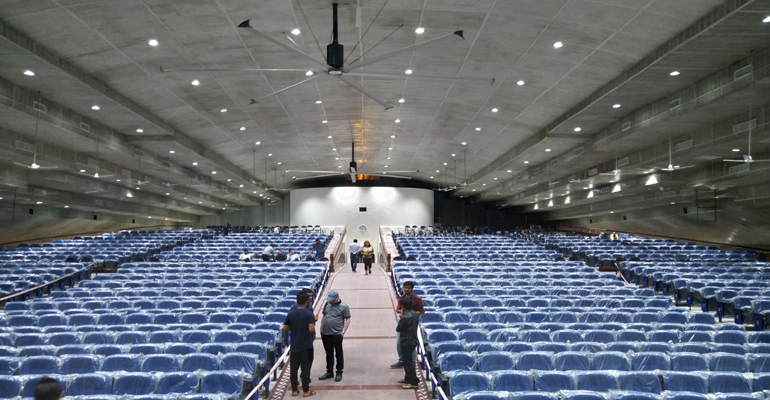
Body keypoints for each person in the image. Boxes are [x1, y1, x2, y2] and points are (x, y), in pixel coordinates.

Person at [283, 291, 316, 398]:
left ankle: (295, 390)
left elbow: (285, 328)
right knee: (305, 368)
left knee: (294, 369)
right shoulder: (309, 314)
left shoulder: (291, 313)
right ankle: (306, 391)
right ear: (307, 301)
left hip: (295, 345)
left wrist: (295, 328)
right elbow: (311, 329)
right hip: (306, 345)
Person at [318, 290, 351, 382]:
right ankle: (329, 371)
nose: (331, 301)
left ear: (337, 297)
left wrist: (343, 331)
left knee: (339, 353)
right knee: (329, 353)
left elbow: (347, 319)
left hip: (337, 334)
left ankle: (339, 372)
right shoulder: (327, 304)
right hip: (326, 333)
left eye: (332, 299)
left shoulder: (344, 307)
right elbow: (324, 316)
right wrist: (321, 327)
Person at [391, 281, 424, 368]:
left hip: (412, 323)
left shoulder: (417, 299)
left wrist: (411, 314)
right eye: (405, 287)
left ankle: (412, 362)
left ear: (412, 289)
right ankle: (402, 360)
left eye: (409, 288)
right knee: (399, 343)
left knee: (411, 344)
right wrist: (403, 311)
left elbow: (422, 311)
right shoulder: (402, 298)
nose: (407, 289)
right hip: (403, 321)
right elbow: (398, 309)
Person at [396, 297, 420, 389]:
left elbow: (398, 328)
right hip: (413, 340)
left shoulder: (405, 317)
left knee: (408, 362)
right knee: (408, 361)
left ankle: (413, 382)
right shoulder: (415, 314)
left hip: (406, 341)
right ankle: (407, 378)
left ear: (403, 307)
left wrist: (402, 315)